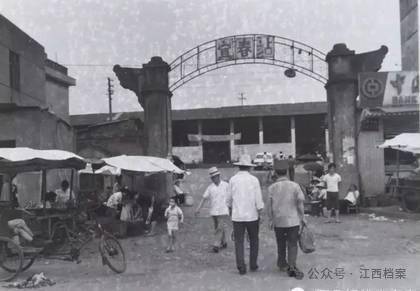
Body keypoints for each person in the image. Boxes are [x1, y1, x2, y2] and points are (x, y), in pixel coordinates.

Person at [267, 160, 306, 280]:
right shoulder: (295, 186)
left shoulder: (272, 188)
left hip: (278, 220)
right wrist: (302, 217)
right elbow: (300, 203)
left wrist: (270, 219)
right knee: (292, 243)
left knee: (281, 243)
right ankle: (292, 265)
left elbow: (269, 206)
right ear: (287, 172)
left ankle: (282, 263)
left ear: (276, 173)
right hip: (292, 220)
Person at [226, 154, 264, 275]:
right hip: (252, 215)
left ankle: (241, 266)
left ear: (239, 167)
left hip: (237, 216)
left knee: (239, 241)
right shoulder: (254, 180)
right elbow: (258, 200)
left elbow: (228, 199)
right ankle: (253, 264)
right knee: (254, 240)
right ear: (249, 167)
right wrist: (260, 211)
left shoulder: (232, 180)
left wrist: (231, 209)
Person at [195, 167, 229, 253]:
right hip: (214, 211)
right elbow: (204, 198)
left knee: (219, 228)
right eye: (212, 177)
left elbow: (231, 197)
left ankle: (216, 245)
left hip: (223, 210)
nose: (214, 179)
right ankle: (224, 242)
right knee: (218, 227)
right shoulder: (210, 188)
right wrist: (198, 208)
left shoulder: (226, 185)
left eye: (215, 176)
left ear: (219, 176)